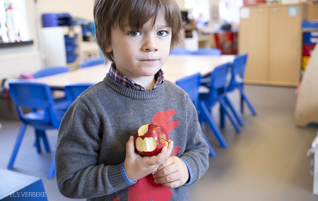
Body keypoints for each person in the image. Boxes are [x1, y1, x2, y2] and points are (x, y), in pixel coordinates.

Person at [55, 0, 210, 200]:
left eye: (162, 33)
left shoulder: (179, 98)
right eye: (135, 32)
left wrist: (186, 168)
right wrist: (125, 173)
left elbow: (199, 150)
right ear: (107, 40)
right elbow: (70, 181)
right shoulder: (90, 108)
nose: (151, 45)